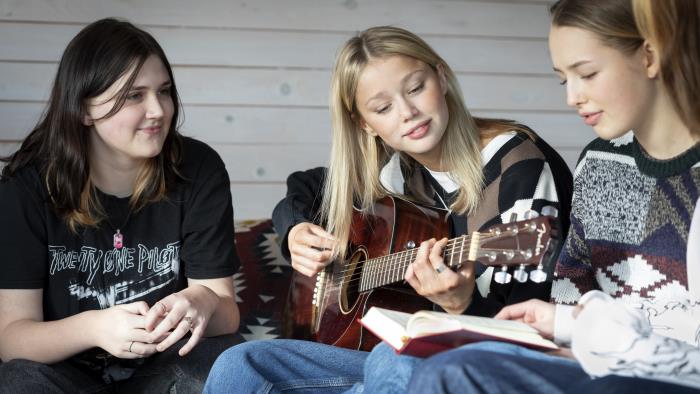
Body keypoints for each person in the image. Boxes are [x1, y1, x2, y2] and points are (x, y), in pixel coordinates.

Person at [204, 25, 573, 393]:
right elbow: (303, 188)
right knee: (242, 363)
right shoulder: (395, 172)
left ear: (441, 77)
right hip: (400, 359)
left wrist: (463, 304)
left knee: (391, 360)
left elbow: (531, 338)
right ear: (366, 124)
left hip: (477, 365)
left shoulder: (518, 167)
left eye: (415, 88)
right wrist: (295, 230)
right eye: (383, 107)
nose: (408, 112)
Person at [408, 0, 700, 392]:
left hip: (652, 378)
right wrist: (559, 327)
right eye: (565, 80)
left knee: (445, 373)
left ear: (649, 55)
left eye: (587, 74)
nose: (572, 98)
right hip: (589, 365)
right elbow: (570, 295)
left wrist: (585, 334)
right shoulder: (599, 163)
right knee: (395, 364)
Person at [0, 18, 241, 392]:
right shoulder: (26, 186)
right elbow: (12, 337)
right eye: (134, 95)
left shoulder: (198, 169)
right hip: (63, 376)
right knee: (16, 380)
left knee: (227, 361)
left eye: (163, 91)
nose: (159, 110)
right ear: (84, 109)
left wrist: (202, 300)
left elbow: (227, 313)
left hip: (164, 369)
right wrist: (95, 328)